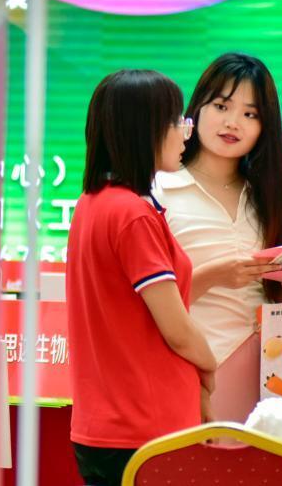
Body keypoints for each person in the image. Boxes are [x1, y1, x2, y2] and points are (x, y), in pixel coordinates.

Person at [67, 69, 216, 486]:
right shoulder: (132, 215)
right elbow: (177, 330)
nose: (185, 133)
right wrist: (209, 365)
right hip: (147, 430)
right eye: (176, 121)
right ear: (144, 130)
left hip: (105, 427)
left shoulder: (91, 204)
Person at [152, 53, 282, 421]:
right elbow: (144, 306)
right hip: (187, 373)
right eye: (221, 106)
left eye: (250, 114)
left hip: (268, 383)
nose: (233, 123)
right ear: (197, 109)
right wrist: (214, 275)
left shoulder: (267, 199)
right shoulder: (160, 190)